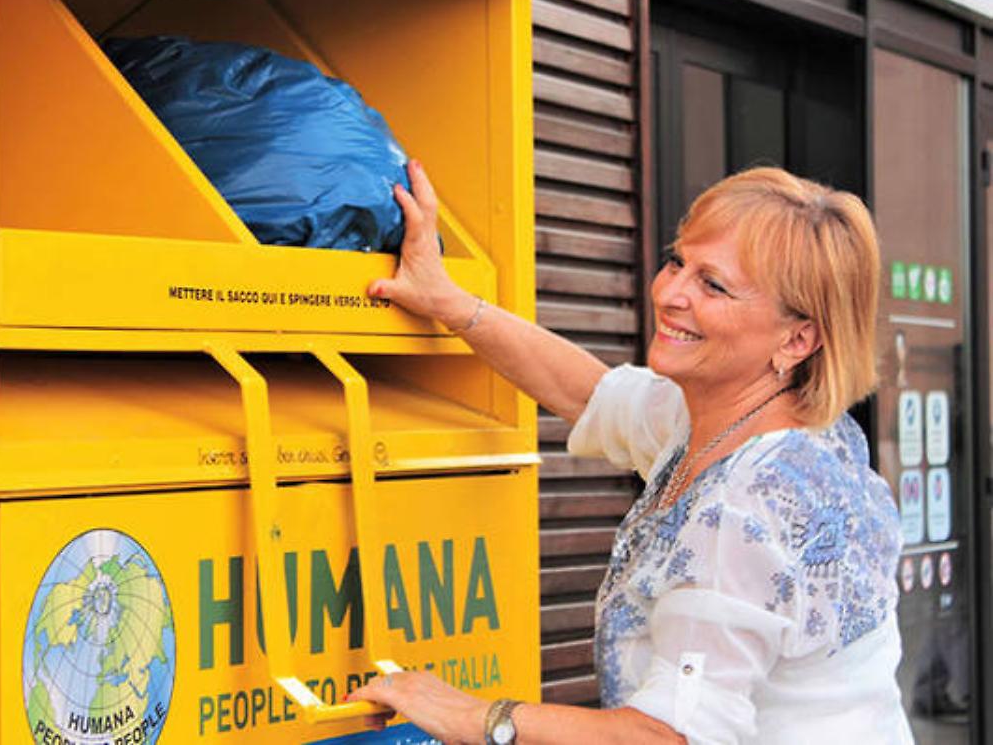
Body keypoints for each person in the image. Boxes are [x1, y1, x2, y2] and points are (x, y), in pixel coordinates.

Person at [347, 161, 913, 744]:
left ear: (797, 339)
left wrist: (474, 717)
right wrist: (446, 299)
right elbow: (591, 392)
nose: (670, 293)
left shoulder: (746, 507)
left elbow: (666, 736)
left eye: (713, 285)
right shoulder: (758, 422)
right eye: (677, 261)